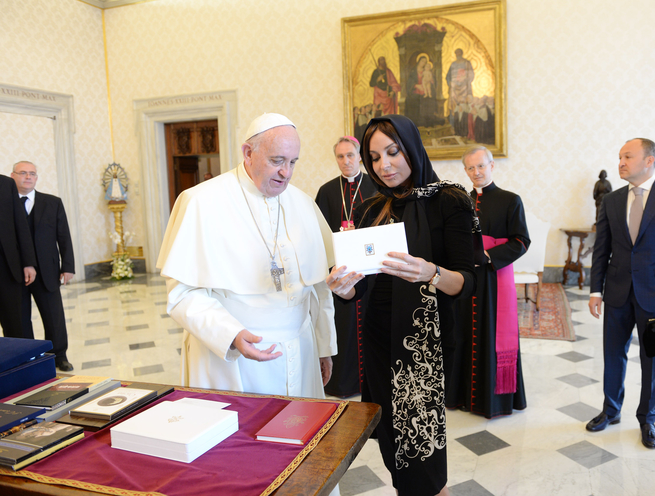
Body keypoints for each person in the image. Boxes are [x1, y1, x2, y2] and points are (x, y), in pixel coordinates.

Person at [327, 115, 478, 496]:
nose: (385, 165)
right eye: (374, 157)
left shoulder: (449, 200)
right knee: (395, 444)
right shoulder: (370, 209)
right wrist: (343, 288)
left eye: (393, 152)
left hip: (426, 344)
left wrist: (430, 271)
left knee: (423, 455)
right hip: (379, 340)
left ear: (411, 148)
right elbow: (361, 289)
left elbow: (467, 281)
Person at [157, 113, 337, 400]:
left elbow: (318, 288)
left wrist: (324, 348)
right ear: (248, 152)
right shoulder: (201, 202)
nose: (286, 173)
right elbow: (182, 293)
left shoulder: (303, 203)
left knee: (300, 432)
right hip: (234, 357)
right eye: (277, 161)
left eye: (293, 163)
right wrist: (231, 335)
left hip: (300, 350)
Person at [587, 138, 655, 449]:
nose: (620, 162)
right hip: (617, 292)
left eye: (627, 156)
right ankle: (611, 410)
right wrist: (596, 291)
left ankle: (648, 418)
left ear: (649, 161)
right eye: (619, 156)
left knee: (652, 359)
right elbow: (601, 250)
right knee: (613, 355)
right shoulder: (611, 200)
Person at [445, 146, 529, 418]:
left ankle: (492, 401)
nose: (476, 172)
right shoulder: (460, 202)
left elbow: (521, 241)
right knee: (463, 333)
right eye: (470, 168)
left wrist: (488, 256)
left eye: (481, 166)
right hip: (466, 279)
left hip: (494, 279)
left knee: (490, 334)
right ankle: (462, 396)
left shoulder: (510, 200)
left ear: (492, 166)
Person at [315, 136, 377, 397]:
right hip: (339, 270)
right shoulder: (327, 191)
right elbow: (317, 232)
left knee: (370, 324)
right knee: (344, 326)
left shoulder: (375, 186)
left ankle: (371, 382)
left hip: (371, 270)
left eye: (350, 155)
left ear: (360, 157)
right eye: (340, 156)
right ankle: (343, 383)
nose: (346, 161)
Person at [11, 161, 75, 372]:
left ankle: (59, 355)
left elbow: (63, 236)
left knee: (53, 315)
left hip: (47, 270)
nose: (28, 177)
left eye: (32, 174)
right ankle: (26, 357)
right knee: (20, 318)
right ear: (13, 176)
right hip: (14, 272)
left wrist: (68, 266)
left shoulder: (52, 202)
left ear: (37, 178)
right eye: (23, 173)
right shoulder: (4, 204)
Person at [0, 174, 36, 338]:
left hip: (6, 266)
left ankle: (22, 362)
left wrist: (28, 262)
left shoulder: (6, 184)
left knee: (15, 323)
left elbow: (20, 224)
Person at [446, 49, 475, 136]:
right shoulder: (453, 64)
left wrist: (465, 80)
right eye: (456, 53)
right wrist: (450, 82)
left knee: (464, 106)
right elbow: (448, 76)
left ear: (461, 53)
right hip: (454, 88)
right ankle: (453, 128)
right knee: (453, 107)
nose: (457, 54)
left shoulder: (467, 63)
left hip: (464, 88)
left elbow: (471, 74)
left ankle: (465, 129)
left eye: (459, 53)